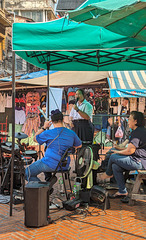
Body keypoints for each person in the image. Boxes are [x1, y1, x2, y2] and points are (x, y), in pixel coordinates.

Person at [25, 109, 82, 182]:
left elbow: (35, 138)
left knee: (27, 173)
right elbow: (79, 145)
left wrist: (44, 127)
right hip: (65, 165)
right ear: (63, 119)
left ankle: (44, 188)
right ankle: (48, 180)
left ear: (51, 121)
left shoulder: (49, 133)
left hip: (50, 164)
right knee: (45, 158)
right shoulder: (71, 133)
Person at [101, 111, 146, 198]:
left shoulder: (137, 132)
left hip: (140, 162)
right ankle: (122, 191)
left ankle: (108, 173)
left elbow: (130, 151)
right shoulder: (139, 131)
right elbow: (129, 149)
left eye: (130, 119)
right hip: (138, 159)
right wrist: (117, 149)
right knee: (115, 166)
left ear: (135, 121)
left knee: (113, 156)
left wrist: (117, 152)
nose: (128, 121)